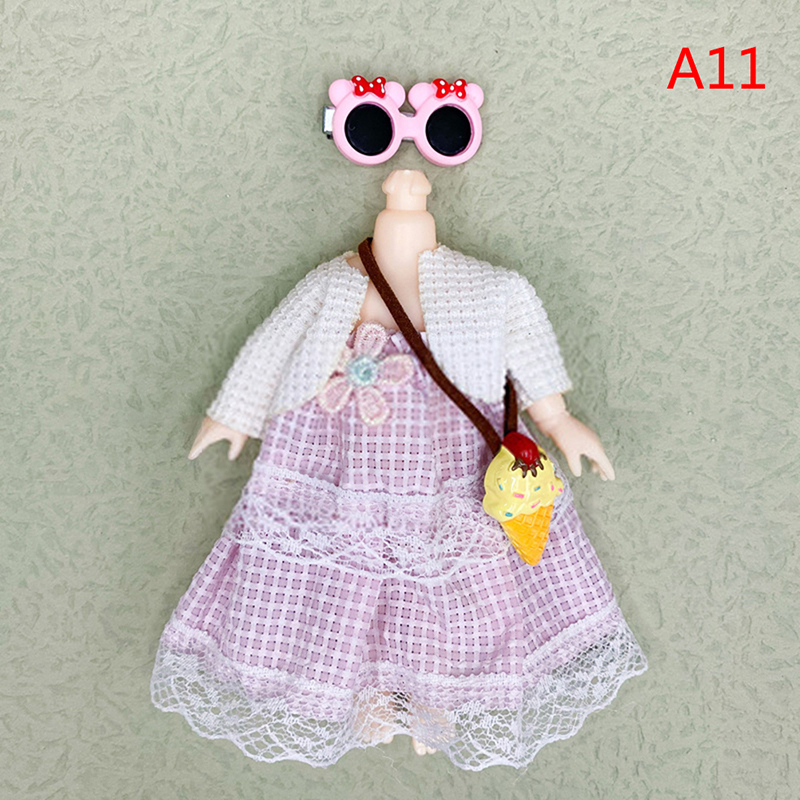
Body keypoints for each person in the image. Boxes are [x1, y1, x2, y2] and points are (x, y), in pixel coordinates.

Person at [150, 170, 647, 770]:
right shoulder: (334, 283)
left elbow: (527, 343)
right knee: (348, 583)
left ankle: (429, 714)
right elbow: (275, 344)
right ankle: (369, 704)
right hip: (337, 456)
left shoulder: (483, 287)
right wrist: (234, 414)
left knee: (448, 589)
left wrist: (558, 419)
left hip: (450, 459)